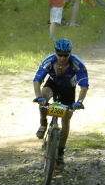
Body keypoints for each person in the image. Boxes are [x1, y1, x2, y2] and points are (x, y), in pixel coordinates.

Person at [32, 38, 89, 166]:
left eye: (65, 55)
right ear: (55, 53)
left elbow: (84, 85)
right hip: (53, 84)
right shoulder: (49, 60)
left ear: (70, 53)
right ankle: (43, 122)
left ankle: (61, 152)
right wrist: (38, 96)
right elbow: (37, 80)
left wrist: (79, 102)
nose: (62, 58)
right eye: (60, 55)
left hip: (69, 87)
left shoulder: (77, 63)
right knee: (44, 97)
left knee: (66, 118)